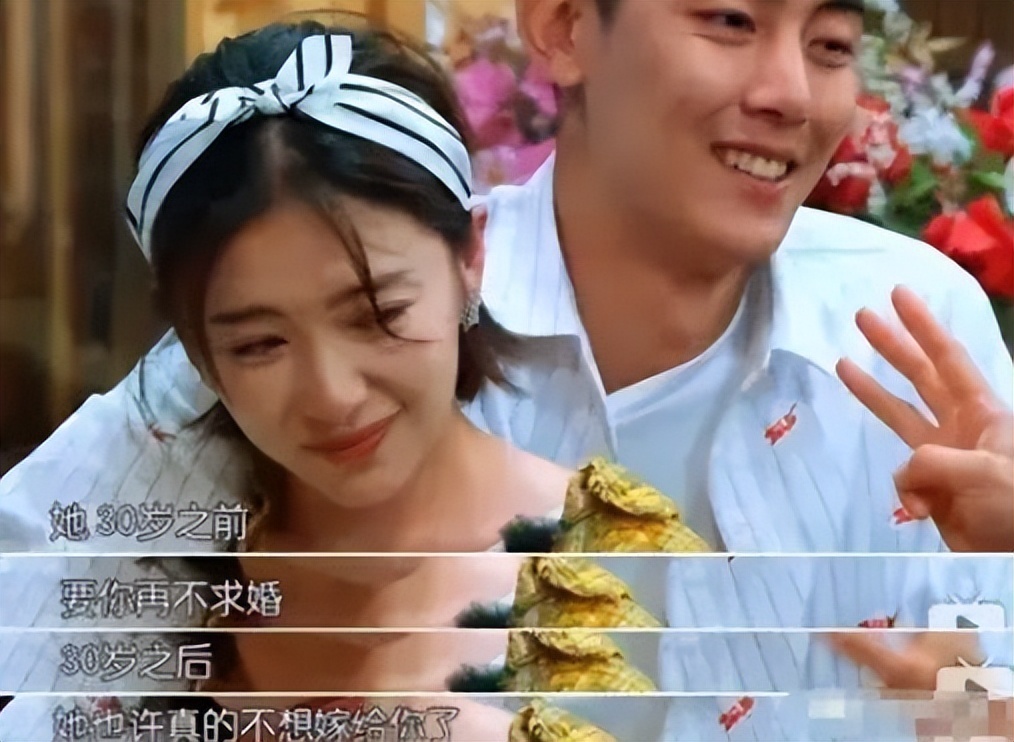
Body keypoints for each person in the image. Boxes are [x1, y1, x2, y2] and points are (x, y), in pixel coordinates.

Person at [1, 0, 1012, 738]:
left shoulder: (912, 328)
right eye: (729, 22)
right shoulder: (328, 319)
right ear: (564, 28)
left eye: (829, 44)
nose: (789, 93)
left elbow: (976, 686)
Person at [0, 22, 700, 740]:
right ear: (196, 352)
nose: (332, 395)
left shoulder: (633, 573)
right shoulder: (155, 581)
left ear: (470, 259)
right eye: (259, 344)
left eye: (376, 314)